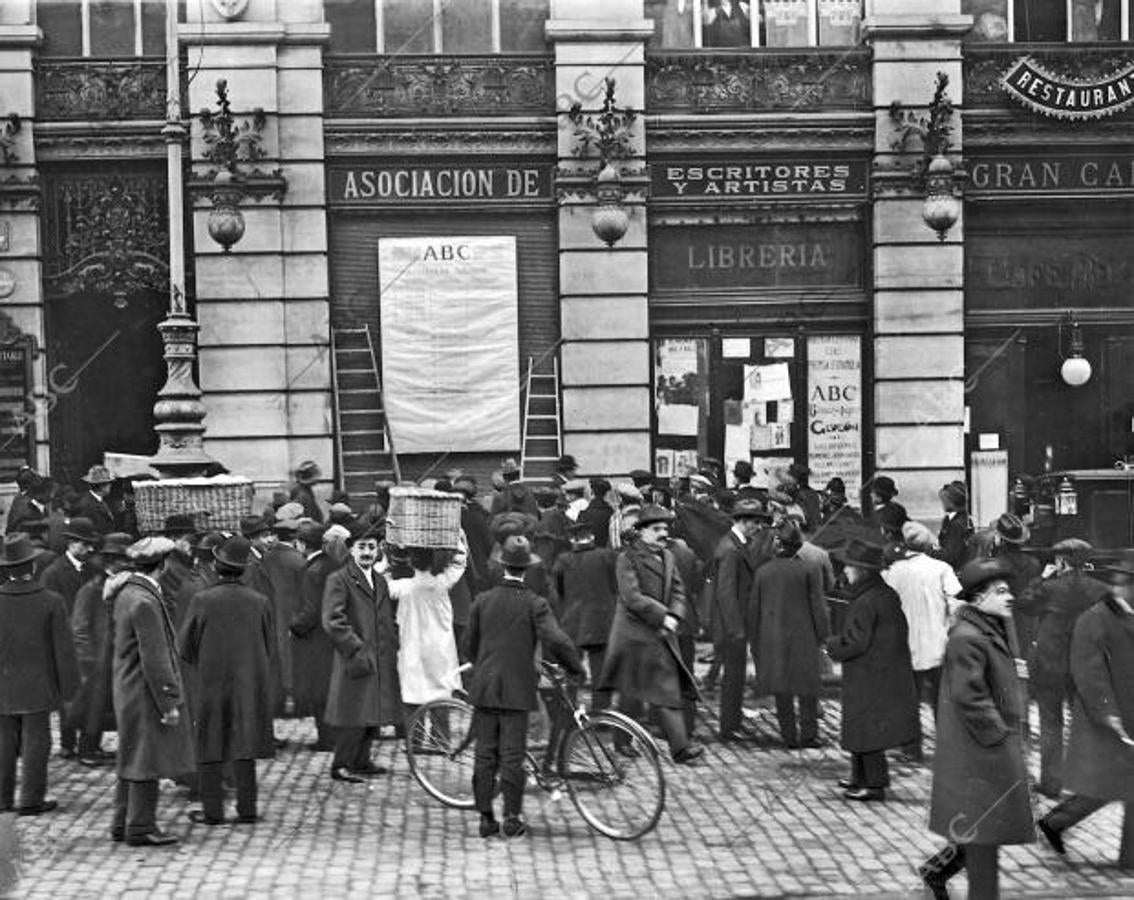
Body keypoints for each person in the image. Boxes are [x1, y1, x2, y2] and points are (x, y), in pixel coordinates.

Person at [920, 558, 1035, 900]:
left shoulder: (992, 626)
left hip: (986, 751)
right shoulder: (968, 637)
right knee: (984, 834)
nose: (1010, 596)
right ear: (979, 598)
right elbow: (970, 697)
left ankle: (937, 870)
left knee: (983, 830)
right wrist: (1001, 736)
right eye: (1001, 592)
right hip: (980, 754)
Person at [464, 534, 583, 838]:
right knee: (512, 755)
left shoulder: (482, 601)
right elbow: (556, 639)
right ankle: (512, 818)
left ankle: (486, 818)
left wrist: (485, 665)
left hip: (485, 687)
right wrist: (575, 668)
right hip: (518, 687)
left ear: (502, 566)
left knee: (485, 753)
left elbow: (469, 646)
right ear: (526, 569)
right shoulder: (535, 604)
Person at [1036, 550, 1134, 866]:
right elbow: (1089, 672)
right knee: (1105, 785)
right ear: (1120, 585)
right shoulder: (1095, 619)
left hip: (1128, 715)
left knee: (1116, 785)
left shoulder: (1128, 615)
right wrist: (1109, 715)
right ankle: (1054, 823)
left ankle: (1128, 856)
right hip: (1104, 718)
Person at [179, 535, 274, 826]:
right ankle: (247, 809)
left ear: (217, 566)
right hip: (248, 683)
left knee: (210, 743)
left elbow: (185, 647)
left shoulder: (202, 600)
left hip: (211, 682)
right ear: (244, 569)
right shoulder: (259, 602)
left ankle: (212, 811)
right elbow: (269, 645)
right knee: (244, 745)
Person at [601, 505, 703, 764]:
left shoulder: (668, 557)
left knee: (666, 690)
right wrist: (663, 615)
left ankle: (680, 748)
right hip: (633, 635)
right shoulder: (627, 558)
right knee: (631, 694)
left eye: (665, 528)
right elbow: (632, 597)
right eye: (656, 529)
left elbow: (680, 591)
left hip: (660, 633)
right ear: (642, 532)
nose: (662, 533)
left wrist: (675, 616)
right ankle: (622, 740)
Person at [112, 537, 195, 847]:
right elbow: (155, 658)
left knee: (131, 753)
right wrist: (169, 701)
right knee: (146, 758)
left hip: (128, 687)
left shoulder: (128, 593)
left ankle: (122, 821)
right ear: (162, 565)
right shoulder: (145, 601)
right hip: (144, 690)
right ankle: (141, 826)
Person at [825, 539, 918, 801]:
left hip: (870, 672)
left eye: (849, 567)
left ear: (862, 570)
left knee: (867, 730)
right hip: (879, 671)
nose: (845, 571)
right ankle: (859, 776)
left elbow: (856, 641)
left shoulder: (865, 601)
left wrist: (832, 645)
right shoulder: (882, 594)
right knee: (861, 727)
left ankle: (874, 783)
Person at [1015, 538, 1109, 798]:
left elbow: (1023, 604)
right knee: (1087, 725)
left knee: (1050, 723)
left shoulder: (1049, 588)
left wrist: (1041, 579)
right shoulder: (1099, 589)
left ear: (1061, 561)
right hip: (1085, 666)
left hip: (1050, 665)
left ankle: (1052, 783)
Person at [0, 532, 78, 815]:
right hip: (39, 685)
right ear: (32, 567)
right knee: (36, 742)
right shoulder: (51, 601)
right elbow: (64, 650)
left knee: (4, 742)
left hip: (3, 684)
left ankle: (2, 798)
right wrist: (69, 689)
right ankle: (31, 799)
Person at [321, 517, 399, 783]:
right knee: (352, 714)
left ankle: (361, 760)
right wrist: (355, 647)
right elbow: (333, 620)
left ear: (378, 550)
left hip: (379, 655)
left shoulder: (379, 580)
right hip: (354, 657)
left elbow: (387, 616)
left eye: (371, 547)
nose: (367, 552)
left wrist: (392, 641)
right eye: (361, 547)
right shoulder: (339, 579)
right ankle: (340, 763)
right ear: (351, 549)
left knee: (371, 712)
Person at [882, 520, 962, 763]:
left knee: (908, 699)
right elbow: (957, 602)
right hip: (939, 640)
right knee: (941, 699)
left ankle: (911, 748)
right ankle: (948, 747)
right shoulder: (942, 568)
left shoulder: (896, 571)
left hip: (906, 643)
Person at [749, 521, 830, 749]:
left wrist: (754, 639)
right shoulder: (809, 570)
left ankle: (788, 736)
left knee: (781, 690)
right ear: (798, 546)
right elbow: (818, 606)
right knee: (807, 690)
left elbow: (754, 608)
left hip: (772, 638)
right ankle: (809, 734)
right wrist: (823, 634)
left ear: (779, 545)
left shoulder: (763, 572)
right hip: (804, 637)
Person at [711, 497, 773, 743]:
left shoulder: (736, 544)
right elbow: (725, 593)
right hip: (731, 625)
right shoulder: (731, 549)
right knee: (732, 677)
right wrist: (736, 629)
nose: (758, 528)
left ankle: (734, 721)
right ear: (744, 522)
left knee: (736, 676)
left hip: (735, 623)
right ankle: (728, 727)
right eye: (755, 523)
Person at [69, 532, 133, 768]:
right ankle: (86, 749)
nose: (127, 564)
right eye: (122, 560)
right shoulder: (92, 589)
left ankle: (94, 746)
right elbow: (79, 627)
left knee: (103, 706)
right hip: (96, 659)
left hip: (112, 655)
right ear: (111, 561)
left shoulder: (118, 586)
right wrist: (89, 659)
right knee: (91, 708)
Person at [385, 536, 468, 711]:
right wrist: (457, 534)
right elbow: (459, 562)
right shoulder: (443, 583)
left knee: (411, 701)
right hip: (440, 651)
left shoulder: (401, 587)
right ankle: (440, 738)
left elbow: (378, 582)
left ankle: (413, 738)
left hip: (412, 650)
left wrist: (387, 557)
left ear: (411, 562)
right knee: (441, 703)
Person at [41, 516, 98, 760]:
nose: (89, 549)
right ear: (72, 543)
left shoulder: (91, 569)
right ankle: (67, 742)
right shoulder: (53, 573)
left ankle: (88, 742)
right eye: (84, 544)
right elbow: (48, 610)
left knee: (90, 693)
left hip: (87, 641)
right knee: (69, 693)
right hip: (64, 642)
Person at [551, 521, 619, 711]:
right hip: (602, 623)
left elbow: (558, 591)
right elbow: (616, 588)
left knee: (571, 670)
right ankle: (601, 714)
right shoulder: (607, 556)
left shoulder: (563, 560)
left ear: (572, 540)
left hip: (573, 623)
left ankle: (569, 712)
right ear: (592, 538)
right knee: (601, 673)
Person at [289, 521, 340, 751]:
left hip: (316, 639)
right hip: (334, 634)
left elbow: (311, 610)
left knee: (319, 690)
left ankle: (327, 739)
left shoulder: (311, 571)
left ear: (302, 544)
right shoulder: (333, 564)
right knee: (331, 687)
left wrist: (294, 627)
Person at [936, 481, 974, 570]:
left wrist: (928, 551)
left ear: (951, 502)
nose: (942, 504)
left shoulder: (956, 524)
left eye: (943, 500)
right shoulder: (956, 520)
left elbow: (950, 556)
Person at [74, 465, 117, 534]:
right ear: (101, 486)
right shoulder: (87, 504)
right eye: (108, 483)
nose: (110, 485)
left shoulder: (100, 501)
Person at [578, 478, 614, 549]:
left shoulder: (584, 513)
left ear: (592, 492)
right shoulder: (610, 513)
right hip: (604, 552)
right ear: (606, 493)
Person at [869, 476, 908, 541]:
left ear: (879, 497)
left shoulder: (880, 515)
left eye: (872, 492)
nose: (871, 495)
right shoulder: (899, 509)